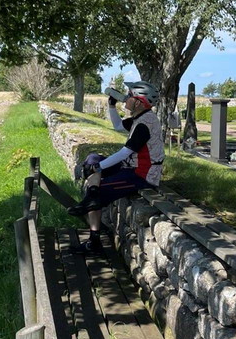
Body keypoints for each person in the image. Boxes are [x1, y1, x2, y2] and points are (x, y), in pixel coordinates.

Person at [67, 81, 165, 255]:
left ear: (139, 101)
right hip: (131, 166)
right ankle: (91, 199)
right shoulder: (140, 117)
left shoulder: (145, 124)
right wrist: (111, 106)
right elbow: (118, 126)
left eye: (130, 96)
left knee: (96, 189)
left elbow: (125, 152)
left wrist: (99, 167)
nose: (125, 98)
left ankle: (94, 241)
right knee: (92, 159)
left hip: (142, 174)